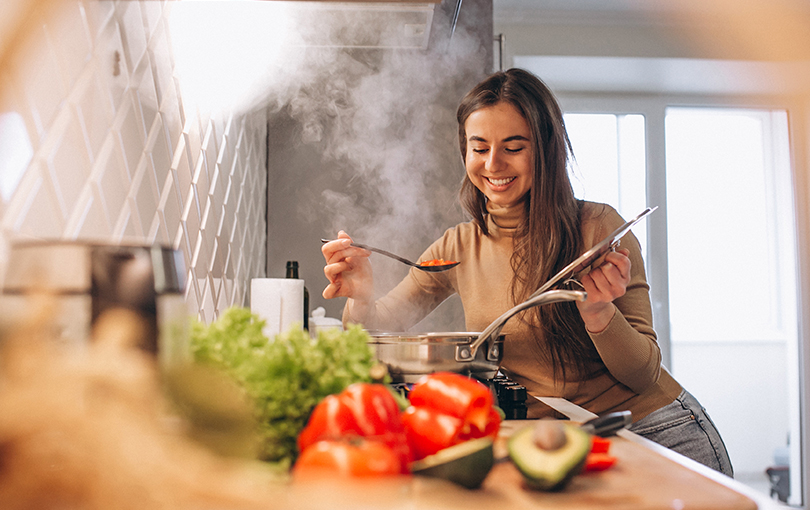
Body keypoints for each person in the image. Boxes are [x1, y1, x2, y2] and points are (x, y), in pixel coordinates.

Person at [320, 68, 733, 477]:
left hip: (652, 432)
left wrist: (600, 314)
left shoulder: (598, 228)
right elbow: (375, 329)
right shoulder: (458, 246)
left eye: (513, 147)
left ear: (546, 149)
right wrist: (361, 295)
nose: (493, 164)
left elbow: (643, 375)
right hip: (556, 442)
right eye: (479, 148)